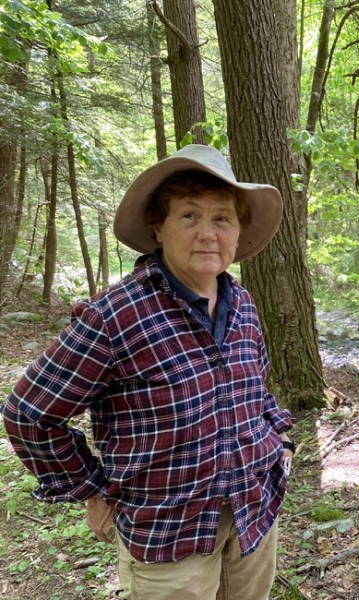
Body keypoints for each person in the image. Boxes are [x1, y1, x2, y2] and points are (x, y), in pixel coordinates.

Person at [1, 144, 295, 600]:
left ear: (238, 233)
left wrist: (279, 439)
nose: (208, 233)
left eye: (222, 219)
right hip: (168, 537)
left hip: (253, 516)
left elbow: (256, 390)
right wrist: (90, 491)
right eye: (189, 216)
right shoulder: (115, 316)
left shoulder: (244, 306)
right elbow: (28, 415)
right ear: (158, 226)